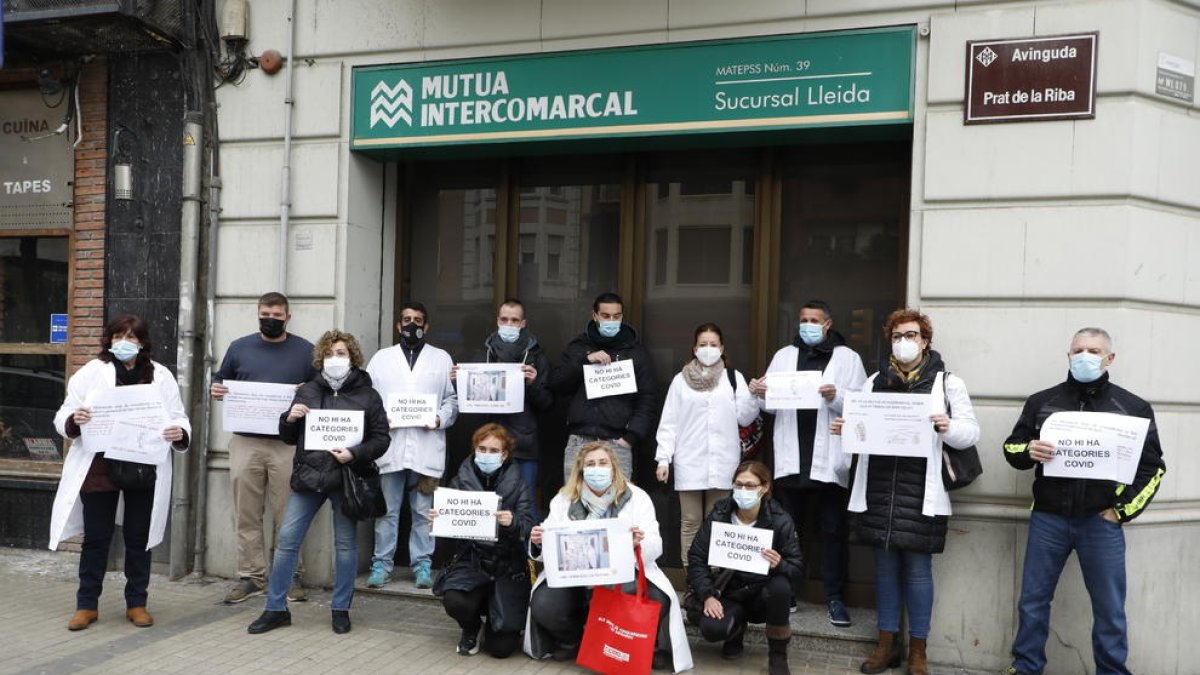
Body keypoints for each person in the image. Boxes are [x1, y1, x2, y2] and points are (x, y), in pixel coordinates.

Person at [1001, 328, 1165, 675]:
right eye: (1078, 350)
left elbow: (1152, 468)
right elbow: (1012, 448)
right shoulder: (1042, 402)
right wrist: (1029, 450)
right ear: (1068, 355)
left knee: (1109, 609)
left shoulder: (1133, 407)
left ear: (1110, 358)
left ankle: (1112, 671)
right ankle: (1026, 667)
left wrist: (1121, 511)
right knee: (1032, 602)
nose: (1085, 356)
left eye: (1093, 350)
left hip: (1100, 522)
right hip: (1048, 518)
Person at [831, 309, 979, 675]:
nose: (903, 342)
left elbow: (970, 432)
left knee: (917, 571)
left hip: (922, 492)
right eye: (897, 336)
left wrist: (948, 427)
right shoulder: (874, 380)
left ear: (926, 340)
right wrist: (847, 429)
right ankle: (885, 646)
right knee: (884, 571)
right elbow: (860, 434)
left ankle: (918, 652)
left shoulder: (947, 384)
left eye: (911, 335)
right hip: (880, 488)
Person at [50, 314, 191, 631]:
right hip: (99, 465)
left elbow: (178, 416)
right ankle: (86, 605)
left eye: (131, 336)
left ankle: (137, 603)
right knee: (97, 538)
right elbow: (64, 413)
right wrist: (76, 419)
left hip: (142, 464)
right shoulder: (92, 372)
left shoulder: (161, 375)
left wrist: (178, 432)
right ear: (108, 339)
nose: (124, 342)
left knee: (138, 538)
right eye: (117, 336)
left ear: (142, 341)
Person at [247, 330, 391, 635]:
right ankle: (275, 609)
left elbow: (381, 439)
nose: (335, 359)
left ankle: (341, 609)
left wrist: (354, 453)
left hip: (346, 479)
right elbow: (288, 437)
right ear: (320, 359)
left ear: (352, 358)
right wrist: (289, 418)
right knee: (287, 541)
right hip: (310, 476)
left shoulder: (368, 394)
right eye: (329, 354)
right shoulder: (309, 390)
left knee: (345, 545)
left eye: (341, 353)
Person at [525, 442, 693, 673]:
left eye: (603, 462)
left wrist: (637, 544)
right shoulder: (563, 499)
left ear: (614, 466)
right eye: (590, 464)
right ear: (581, 469)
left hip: (623, 577)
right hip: (576, 579)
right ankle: (574, 639)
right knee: (544, 604)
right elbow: (551, 549)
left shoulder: (638, 497)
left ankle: (636, 646)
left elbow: (656, 544)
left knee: (658, 598)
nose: (597, 468)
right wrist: (539, 542)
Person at [748, 300, 866, 627]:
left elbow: (859, 405)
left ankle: (835, 599)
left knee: (832, 532)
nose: (808, 325)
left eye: (814, 320)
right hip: (790, 460)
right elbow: (769, 405)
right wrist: (759, 392)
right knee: (789, 533)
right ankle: (788, 596)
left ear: (828, 324)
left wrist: (835, 396)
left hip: (828, 462)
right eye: (803, 319)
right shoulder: (784, 356)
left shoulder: (847, 358)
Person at [210, 291, 317, 604]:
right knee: (247, 513)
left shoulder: (305, 351)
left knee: (290, 513)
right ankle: (251, 577)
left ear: (288, 317)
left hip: (287, 444)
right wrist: (217, 388)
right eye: (265, 315)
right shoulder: (239, 347)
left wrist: (306, 392)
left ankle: (291, 575)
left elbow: (320, 391)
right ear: (258, 314)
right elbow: (220, 380)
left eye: (277, 315)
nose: (271, 320)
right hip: (245, 441)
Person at [365, 301, 458, 589]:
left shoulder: (441, 358)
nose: (411, 325)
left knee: (423, 511)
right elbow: (368, 399)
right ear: (398, 325)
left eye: (418, 320)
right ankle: (381, 564)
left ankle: (422, 565)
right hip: (389, 446)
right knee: (387, 510)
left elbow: (452, 400)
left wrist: (439, 418)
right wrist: (382, 420)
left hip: (426, 446)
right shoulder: (381, 358)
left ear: (426, 326)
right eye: (406, 319)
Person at [655, 323, 758, 564]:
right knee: (690, 521)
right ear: (694, 348)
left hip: (724, 460)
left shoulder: (733, 378)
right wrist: (663, 458)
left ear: (722, 348)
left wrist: (752, 395)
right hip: (689, 459)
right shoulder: (680, 380)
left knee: (718, 523)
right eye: (703, 344)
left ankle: (712, 584)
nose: (708, 349)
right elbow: (669, 421)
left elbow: (745, 416)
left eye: (713, 344)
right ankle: (693, 582)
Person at [688, 460, 804, 675]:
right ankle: (735, 632)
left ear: (765, 487)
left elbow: (796, 568)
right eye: (738, 485)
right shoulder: (719, 514)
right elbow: (696, 557)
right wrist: (707, 596)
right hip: (729, 591)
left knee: (781, 587)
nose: (743, 491)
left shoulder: (780, 520)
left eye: (750, 486)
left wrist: (779, 564)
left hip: (762, 594)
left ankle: (778, 654)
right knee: (713, 629)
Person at [430, 423, 534, 658]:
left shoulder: (519, 483)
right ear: (475, 449)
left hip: (507, 564)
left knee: (501, 650)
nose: (487, 455)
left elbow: (528, 524)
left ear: (505, 454)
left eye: (494, 450)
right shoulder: (460, 480)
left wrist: (513, 521)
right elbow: (450, 535)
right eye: (482, 448)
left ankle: (497, 623)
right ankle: (471, 628)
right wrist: (438, 520)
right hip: (472, 559)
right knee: (455, 600)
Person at [452, 299, 552, 517]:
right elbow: (469, 402)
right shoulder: (483, 356)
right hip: (489, 444)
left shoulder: (536, 357)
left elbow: (547, 403)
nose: (509, 324)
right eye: (505, 319)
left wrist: (533, 385)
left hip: (524, 444)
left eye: (514, 320)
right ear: (497, 321)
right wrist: (457, 382)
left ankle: (529, 551)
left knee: (526, 507)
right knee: (487, 506)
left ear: (524, 323)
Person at [547, 292, 657, 481]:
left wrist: (631, 437)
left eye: (616, 316)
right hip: (579, 440)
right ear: (595, 316)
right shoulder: (579, 346)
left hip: (617, 442)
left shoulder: (635, 352)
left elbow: (647, 398)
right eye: (606, 316)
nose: (611, 321)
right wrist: (585, 360)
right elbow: (556, 382)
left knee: (619, 506)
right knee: (575, 504)